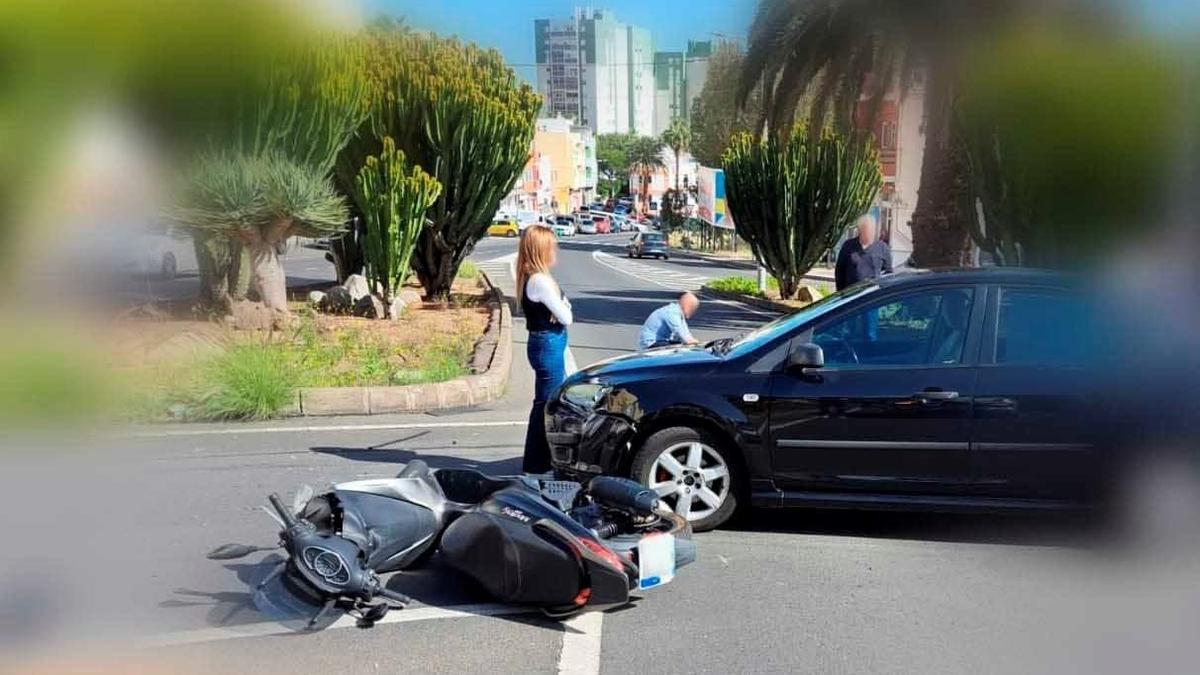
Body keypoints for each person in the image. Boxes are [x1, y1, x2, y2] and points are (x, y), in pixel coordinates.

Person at [517, 225, 573, 474]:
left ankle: (536, 462)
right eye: (551, 245)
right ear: (541, 249)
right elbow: (567, 316)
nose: (556, 249)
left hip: (545, 343)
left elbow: (562, 313)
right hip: (547, 344)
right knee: (546, 405)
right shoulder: (540, 280)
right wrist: (562, 305)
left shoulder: (533, 276)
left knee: (545, 402)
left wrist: (560, 307)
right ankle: (537, 464)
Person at [835, 213, 893, 291]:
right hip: (851, 295)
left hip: (872, 296)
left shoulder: (883, 248)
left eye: (872, 230)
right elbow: (840, 271)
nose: (870, 233)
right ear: (860, 230)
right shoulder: (848, 246)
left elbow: (888, 273)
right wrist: (841, 293)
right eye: (867, 230)